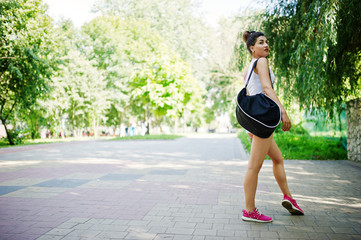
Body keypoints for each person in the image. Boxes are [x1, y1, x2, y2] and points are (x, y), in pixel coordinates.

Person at [241, 31, 304, 223]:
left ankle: (288, 197)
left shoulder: (249, 67)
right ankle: (249, 211)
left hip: (255, 122)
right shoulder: (260, 62)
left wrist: (250, 127)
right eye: (261, 42)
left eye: (267, 42)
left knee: (277, 159)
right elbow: (267, 89)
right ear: (252, 48)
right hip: (262, 123)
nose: (266, 45)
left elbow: (252, 93)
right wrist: (283, 111)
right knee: (254, 167)